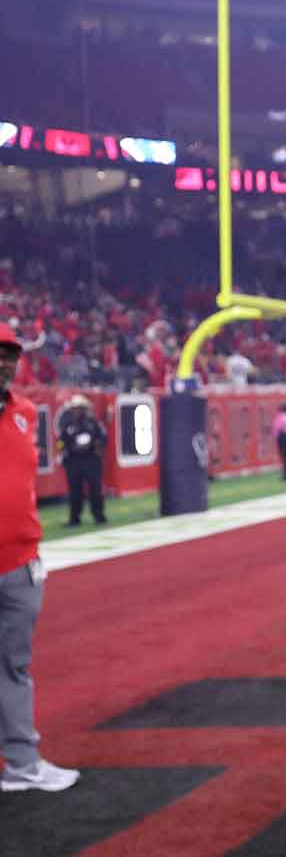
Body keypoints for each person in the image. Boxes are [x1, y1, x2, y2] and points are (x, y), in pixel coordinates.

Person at [0, 323, 80, 793]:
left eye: (11, 354)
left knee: (13, 668)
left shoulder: (25, 413)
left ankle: (22, 762)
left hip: (20, 564)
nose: (5, 362)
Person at [55, 394, 107, 527]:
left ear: (84, 409)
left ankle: (99, 516)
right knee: (74, 491)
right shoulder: (67, 425)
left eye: (79, 408)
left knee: (95, 490)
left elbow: (102, 438)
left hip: (91, 460)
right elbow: (60, 441)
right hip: (74, 461)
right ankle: (74, 518)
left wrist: (96, 449)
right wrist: (63, 450)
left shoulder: (93, 422)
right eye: (74, 408)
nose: (77, 411)